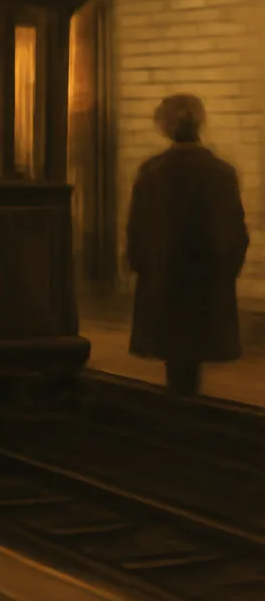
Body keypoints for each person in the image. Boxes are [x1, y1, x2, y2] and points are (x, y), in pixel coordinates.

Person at [126, 93, 249, 397]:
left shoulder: (153, 171)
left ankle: (178, 404)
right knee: (195, 348)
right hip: (207, 276)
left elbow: (137, 229)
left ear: (165, 127)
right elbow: (236, 231)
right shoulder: (222, 173)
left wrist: (142, 265)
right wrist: (227, 267)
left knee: (174, 350)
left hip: (165, 277)